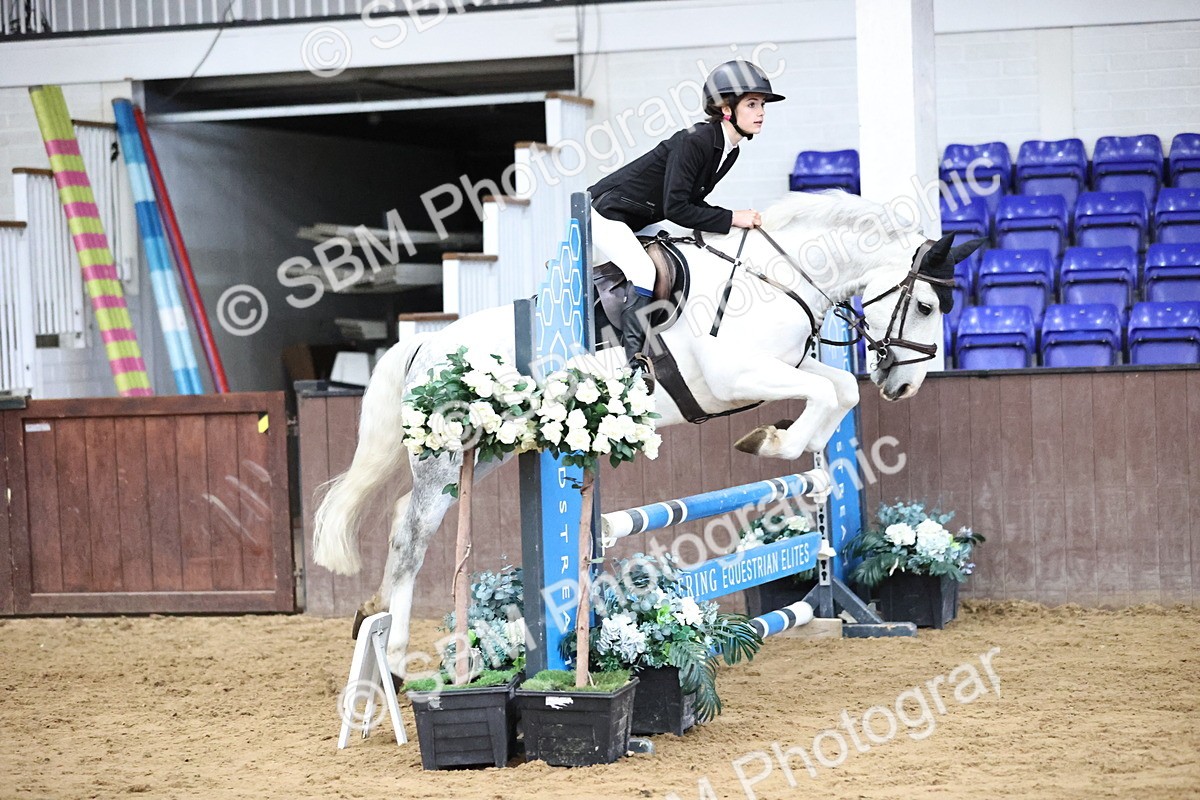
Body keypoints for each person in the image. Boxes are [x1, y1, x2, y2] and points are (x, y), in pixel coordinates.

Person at [588, 59, 785, 363]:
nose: (761, 112)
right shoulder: (696, 141)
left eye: (762, 105)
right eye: (752, 104)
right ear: (726, 108)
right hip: (607, 213)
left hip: (638, 219)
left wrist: (732, 220)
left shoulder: (728, 150)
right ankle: (633, 364)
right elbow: (677, 208)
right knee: (644, 271)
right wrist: (731, 217)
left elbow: (688, 203)